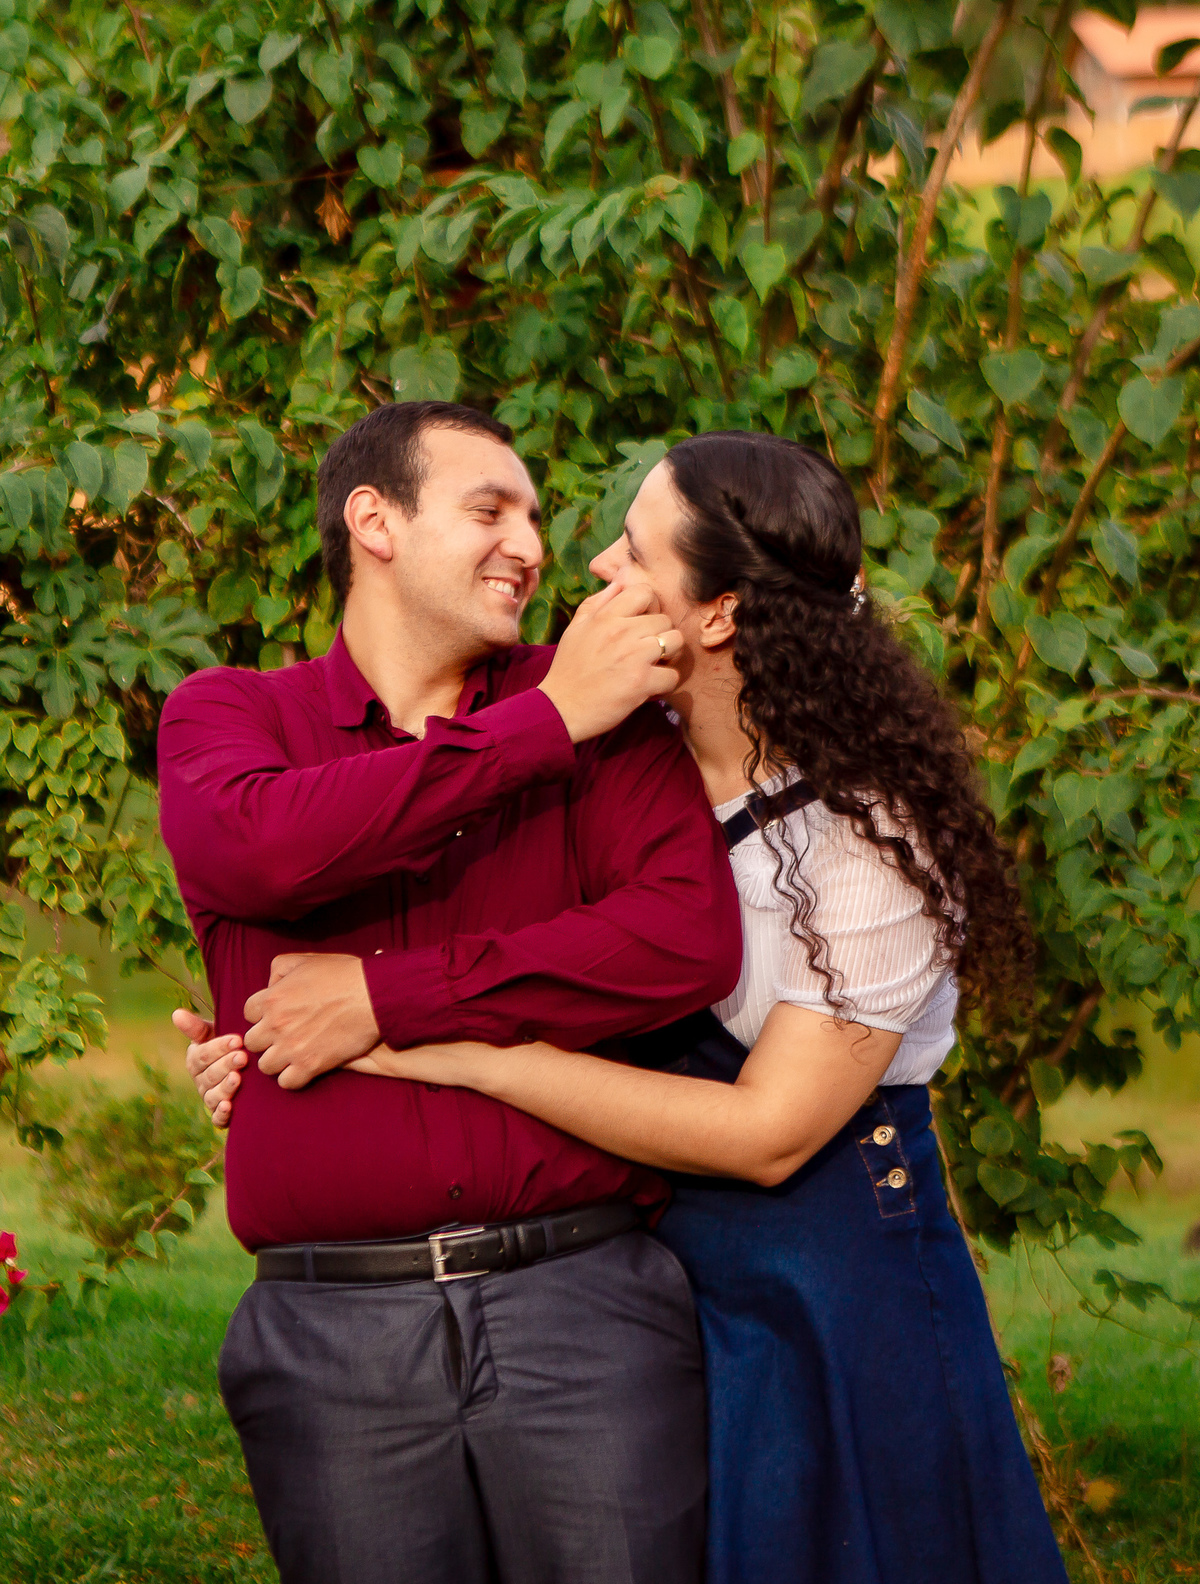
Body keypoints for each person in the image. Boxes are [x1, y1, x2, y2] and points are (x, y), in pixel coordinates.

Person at [188, 430, 1070, 1584]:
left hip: (827, 1271)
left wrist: (418, 1037)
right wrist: (254, 1050)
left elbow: (762, 1121)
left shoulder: (865, 844)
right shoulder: (615, 747)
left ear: (719, 614)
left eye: (634, 549)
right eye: (504, 513)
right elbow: (425, 914)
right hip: (675, 1266)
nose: (584, 563)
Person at [158, 400, 745, 1584]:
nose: (530, 546)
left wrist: (386, 1001)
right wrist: (542, 726)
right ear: (374, 521)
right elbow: (261, 854)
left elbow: (684, 941)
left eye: (533, 516)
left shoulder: (608, 717)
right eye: (490, 511)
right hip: (332, 1333)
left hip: (583, 1306)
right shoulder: (232, 713)